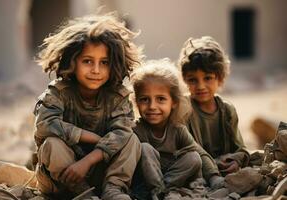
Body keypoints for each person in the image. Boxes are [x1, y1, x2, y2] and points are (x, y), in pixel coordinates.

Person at [32, 13, 143, 200]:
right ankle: (83, 195)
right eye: (87, 61)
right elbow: (44, 124)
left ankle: (113, 189)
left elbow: (122, 132)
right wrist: (89, 136)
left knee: (132, 140)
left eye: (104, 63)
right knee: (52, 144)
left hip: (99, 171)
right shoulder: (58, 93)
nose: (96, 70)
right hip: (63, 178)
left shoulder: (117, 96)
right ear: (72, 61)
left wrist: (88, 161)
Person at [130, 59, 223, 200]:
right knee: (145, 148)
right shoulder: (137, 129)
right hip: (146, 181)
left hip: (173, 177)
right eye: (144, 99)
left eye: (160, 99)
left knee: (193, 157)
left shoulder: (178, 130)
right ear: (136, 102)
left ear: (174, 102)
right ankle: (156, 191)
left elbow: (200, 154)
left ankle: (162, 190)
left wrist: (214, 177)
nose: (152, 106)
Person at [178, 36, 250, 176]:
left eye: (208, 78)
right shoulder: (184, 109)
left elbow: (240, 148)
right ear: (185, 80)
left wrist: (235, 161)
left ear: (220, 78)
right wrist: (211, 164)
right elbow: (186, 148)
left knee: (257, 155)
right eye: (193, 80)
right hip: (199, 167)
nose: (201, 86)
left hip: (224, 165)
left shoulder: (227, 110)